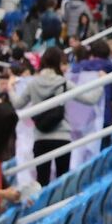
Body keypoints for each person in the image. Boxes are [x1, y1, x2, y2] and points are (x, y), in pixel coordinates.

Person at [25, 47, 73, 185]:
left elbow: (17, 103)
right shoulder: (63, 82)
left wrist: (10, 88)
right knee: (62, 183)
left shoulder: (33, 83)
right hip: (62, 136)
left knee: (41, 182)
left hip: (41, 137)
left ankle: (43, 207)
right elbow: (91, 98)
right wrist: (102, 81)